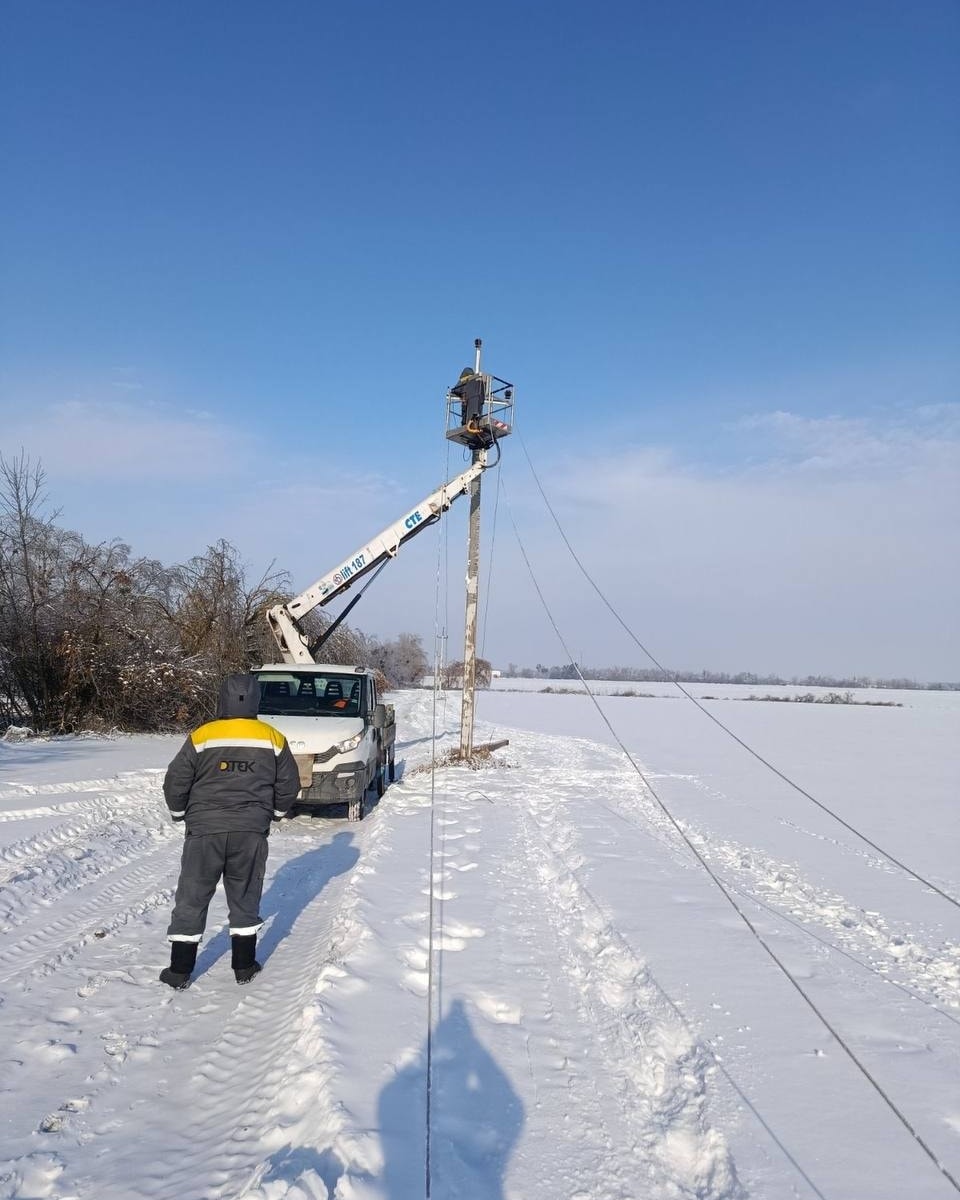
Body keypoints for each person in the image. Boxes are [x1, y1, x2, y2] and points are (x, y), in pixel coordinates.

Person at [160, 672, 301, 989]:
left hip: (204, 829)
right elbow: (289, 783)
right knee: (245, 895)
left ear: (222, 699)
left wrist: (179, 812)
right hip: (250, 830)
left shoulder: (203, 735)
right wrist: (275, 813)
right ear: (256, 700)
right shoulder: (273, 738)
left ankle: (179, 971)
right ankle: (244, 966)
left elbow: (176, 779)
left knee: (192, 896)